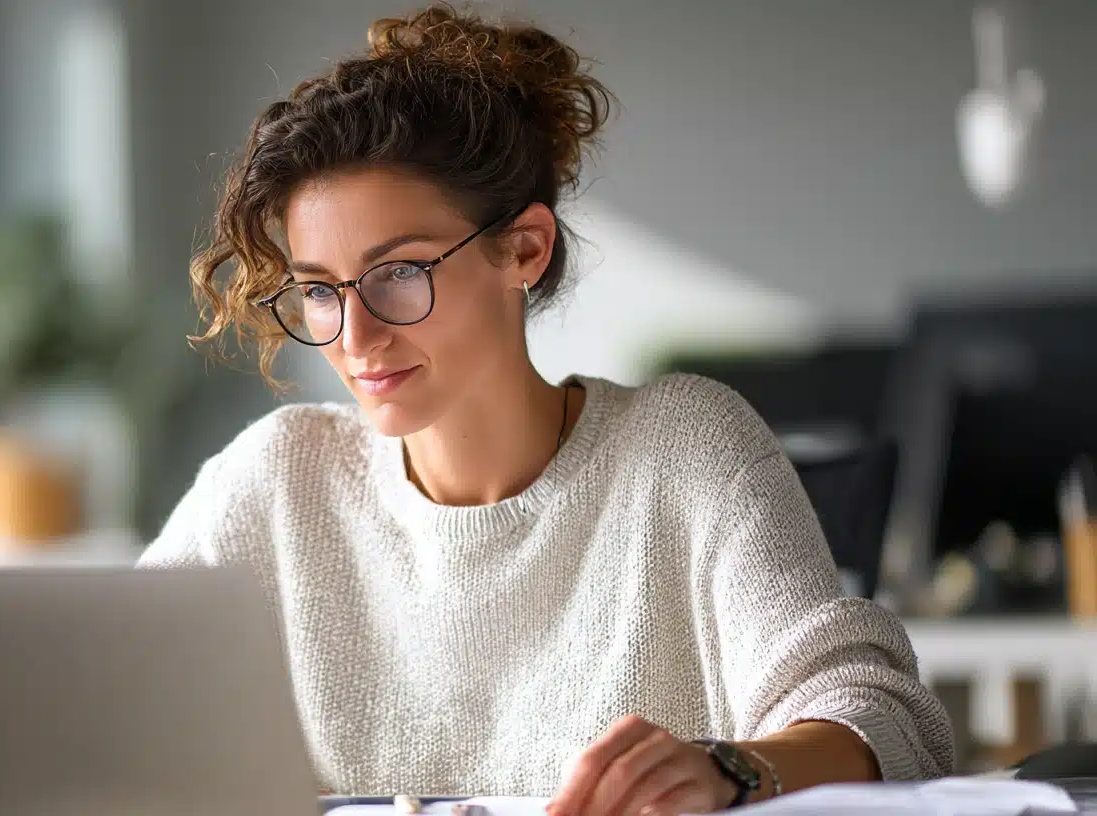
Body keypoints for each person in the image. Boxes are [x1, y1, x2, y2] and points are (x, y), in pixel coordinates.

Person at [137, 5, 953, 814]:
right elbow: (100, 702)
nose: (355, 336)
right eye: (320, 289)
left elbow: (889, 720)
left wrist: (731, 770)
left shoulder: (685, 448)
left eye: (399, 274)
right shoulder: (276, 478)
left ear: (524, 248)